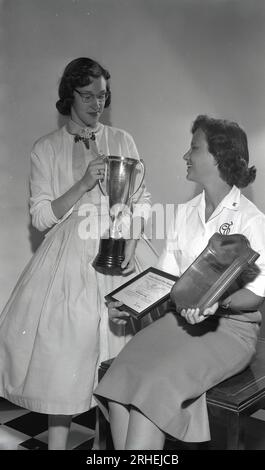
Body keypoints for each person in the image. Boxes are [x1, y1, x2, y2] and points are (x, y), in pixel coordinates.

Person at [0, 57, 157, 449]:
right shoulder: (46, 149)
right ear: (68, 95)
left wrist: (132, 242)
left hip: (118, 253)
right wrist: (84, 183)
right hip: (69, 259)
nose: (96, 104)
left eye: (102, 96)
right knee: (63, 362)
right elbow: (41, 217)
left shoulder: (122, 139)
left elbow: (142, 199)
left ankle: (119, 453)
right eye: (87, 96)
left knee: (121, 365)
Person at [94, 115, 265, 450]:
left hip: (230, 331)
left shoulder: (252, 221)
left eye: (193, 148)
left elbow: (255, 296)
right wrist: (128, 306)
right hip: (180, 322)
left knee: (150, 396)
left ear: (218, 157)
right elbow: (165, 278)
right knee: (121, 378)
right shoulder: (185, 212)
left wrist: (217, 303)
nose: (185, 156)